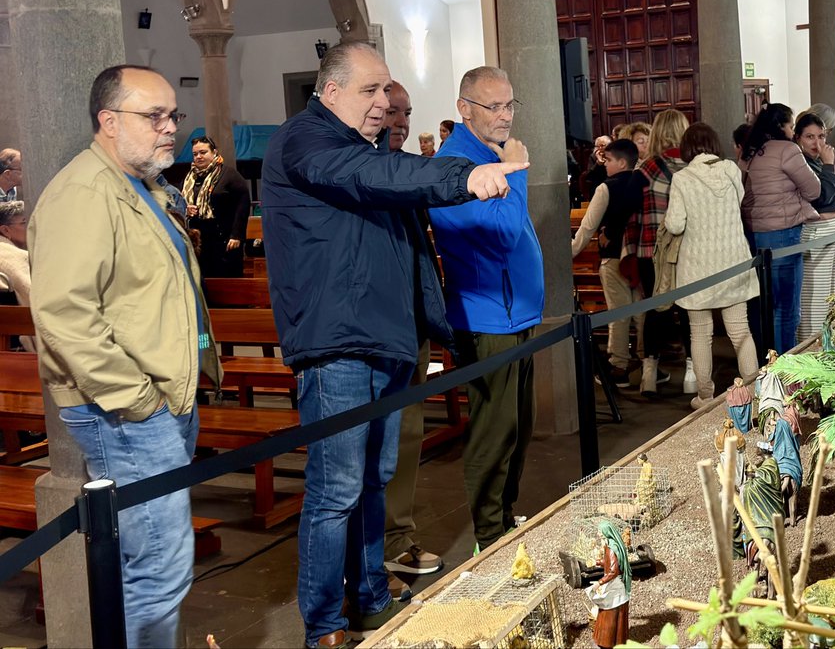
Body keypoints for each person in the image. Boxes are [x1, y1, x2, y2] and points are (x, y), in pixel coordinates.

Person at [261, 45, 524, 648]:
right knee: (335, 489)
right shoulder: (306, 143)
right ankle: (324, 622)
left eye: (387, 92)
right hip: (337, 344)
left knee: (375, 476)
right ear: (330, 92)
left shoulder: (361, 149)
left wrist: (427, 328)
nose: (384, 103)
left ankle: (370, 592)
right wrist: (465, 175)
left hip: (386, 339)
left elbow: (403, 237)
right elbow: (376, 177)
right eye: (371, 91)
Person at [30, 64, 221, 648]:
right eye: (154, 116)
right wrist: (139, 400)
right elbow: (65, 315)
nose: (171, 129)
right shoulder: (84, 192)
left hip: (161, 398)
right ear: (108, 122)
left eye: (173, 116)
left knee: (151, 561)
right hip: (127, 409)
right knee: (160, 569)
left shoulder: (146, 186)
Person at [427, 65, 543, 554]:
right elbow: (501, 234)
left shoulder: (495, 154)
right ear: (464, 109)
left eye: (509, 104)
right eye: (492, 106)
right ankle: (488, 538)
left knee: (517, 427)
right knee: (493, 434)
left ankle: (504, 521)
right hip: (486, 316)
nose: (504, 116)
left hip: (517, 312)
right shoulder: (452, 168)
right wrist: (516, 172)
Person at [380, 80, 446, 581]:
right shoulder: (366, 172)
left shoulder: (401, 171)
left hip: (410, 323)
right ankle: (385, 544)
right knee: (386, 437)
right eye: (392, 112)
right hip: (379, 328)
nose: (401, 121)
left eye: (407, 112)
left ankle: (397, 535)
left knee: (407, 432)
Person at [666, 122, 759, 408]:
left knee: (701, 333)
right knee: (740, 329)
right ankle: (754, 391)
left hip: (697, 266)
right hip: (733, 261)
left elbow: (675, 223)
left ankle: (705, 395)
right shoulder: (732, 170)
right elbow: (742, 202)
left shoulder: (682, 178)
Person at [740, 103, 820, 355]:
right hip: (784, 235)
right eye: (791, 124)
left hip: (754, 235)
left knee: (762, 305)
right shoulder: (787, 149)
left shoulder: (749, 152)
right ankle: (784, 367)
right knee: (785, 308)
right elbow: (813, 189)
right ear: (782, 125)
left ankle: (763, 363)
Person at [571, 139, 646, 385]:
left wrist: (569, 253)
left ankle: (618, 366)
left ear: (622, 161)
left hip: (614, 257)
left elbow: (587, 226)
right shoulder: (644, 182)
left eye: (609, 160)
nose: (605, 164)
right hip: (642, 255)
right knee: (642, 311)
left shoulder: (606, 188)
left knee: (618, 313)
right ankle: (649, 366)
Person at [625, 109, 689, 394]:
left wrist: (629, 252)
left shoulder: (645, 168)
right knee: (689, 310)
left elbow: (632, 215)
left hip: (649, 249)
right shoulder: (692, 166)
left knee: (654, 310)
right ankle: (692, 374)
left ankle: (649, 374)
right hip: (685, 250)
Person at [794, 114, 835, 341]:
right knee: (815, 296)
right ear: (798, 138)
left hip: (833, 230)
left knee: (832, 294)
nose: (817, 143)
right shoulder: (800, 163)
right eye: (810, 137)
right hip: (815, 233)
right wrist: (830, 165)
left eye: (821, 136)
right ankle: (812, 347)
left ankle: (829, 346)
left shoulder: (818, 161)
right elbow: (824, 197)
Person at [182, 136, 251, 278]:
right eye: (195, 154)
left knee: (226, 281)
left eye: (203, 152)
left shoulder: (229, 174)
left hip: (224, 239)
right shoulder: (191, 177)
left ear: (214, 152)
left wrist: (237, 235)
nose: (199, 157)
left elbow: (242, 204)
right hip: (200, 240)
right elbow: (183, 199)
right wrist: (186, 208)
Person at [588, 520, 632, 649]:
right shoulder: (611, 546)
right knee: (612, 613)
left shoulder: (612, 549)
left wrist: (599, 583)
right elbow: (611, 563)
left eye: (600, 531)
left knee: (609, 613)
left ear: (606, 532)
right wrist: (598, 562)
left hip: (614, 587)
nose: (598, 533)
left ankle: (606, 642)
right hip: (616, 585)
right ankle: (617, 640)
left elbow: (613, 571)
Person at [0, 201, 33, 351]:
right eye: (25, 222)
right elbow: (32, 292)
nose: (32, 227)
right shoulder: (13, 256)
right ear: (6, 230)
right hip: (16, 338)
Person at [581, 134, 611, 202]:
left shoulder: (614, 155)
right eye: (598, 146)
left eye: (603, 145)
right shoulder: (593, 156)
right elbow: (589, 176)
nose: (600, 148)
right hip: (598, 186)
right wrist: (598, 164)